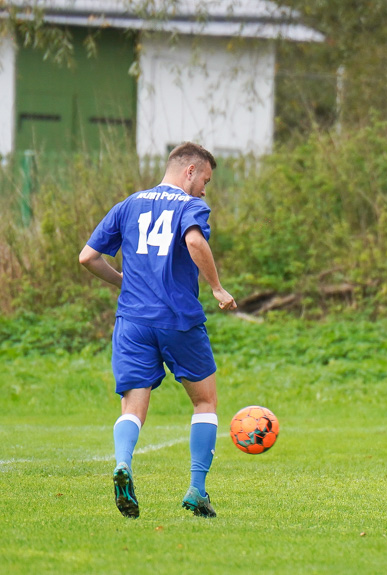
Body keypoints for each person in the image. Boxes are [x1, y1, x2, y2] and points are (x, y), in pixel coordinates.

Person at [79, 142, 237, 519]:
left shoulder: (128, 205)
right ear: (190, 171)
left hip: (132, 321)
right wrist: (217, 287)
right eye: (205, 180)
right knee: (205, 401)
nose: (204, 189)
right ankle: (197, 490)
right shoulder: (190, 206)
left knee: (133, 404)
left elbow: (87, 257)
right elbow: (195, 240)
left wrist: (124, 282)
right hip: (178, 318)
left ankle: (123, 464)